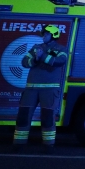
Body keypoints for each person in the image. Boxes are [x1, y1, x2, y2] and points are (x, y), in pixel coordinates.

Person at [13, 24, 67, 152]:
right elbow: (25, 62)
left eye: (47, 34)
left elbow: (59, 61)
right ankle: (18, 144)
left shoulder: (61, 49)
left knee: (47, 118)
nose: (44, 36)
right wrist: (36, 59)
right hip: (31, 88)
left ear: (53, 35)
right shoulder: (36, 48)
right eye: (44, 34)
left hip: (49, 89)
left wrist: (42, 57)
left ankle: (48, 146)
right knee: (23, 116)